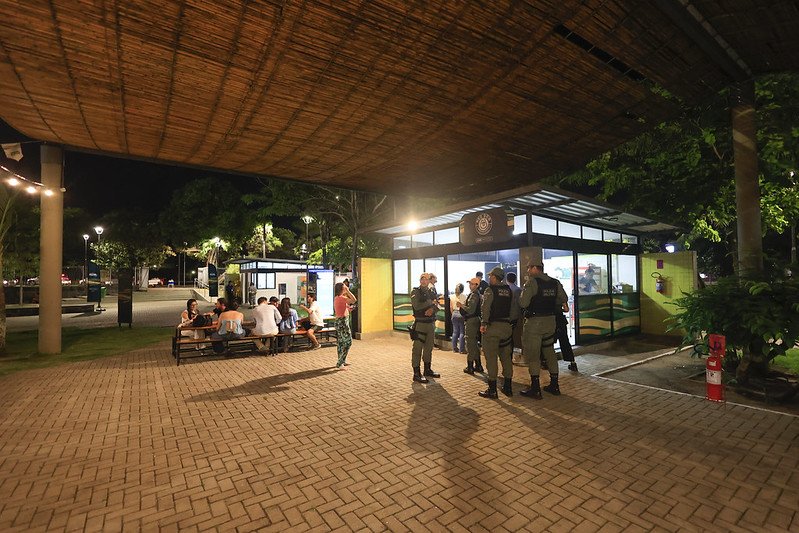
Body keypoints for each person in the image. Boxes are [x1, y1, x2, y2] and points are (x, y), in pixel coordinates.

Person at [519, 262, 569, 399]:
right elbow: (563, 298)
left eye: (529, 268)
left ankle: (535, 389)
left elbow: (523, 303)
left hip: (535, 324)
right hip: (550, 322)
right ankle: (555, 385)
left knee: (534, 355)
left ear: (535, 268)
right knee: (550, 352)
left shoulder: (532, 283)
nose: (528, 270)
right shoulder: (555, 282)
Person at [478, 267, 517, 399]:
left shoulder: (490, 290)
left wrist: (484, 323)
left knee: (491, 359)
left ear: (494, 277)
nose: (489, 278)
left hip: (493, 327)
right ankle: (508, 387)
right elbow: (512, 310)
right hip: (506, 328)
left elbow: (486, 308)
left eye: (490, 276)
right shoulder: (508, 290)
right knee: (506, 358)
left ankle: (492, 389)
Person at [410, 273, 440, 383]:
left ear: (429, 281)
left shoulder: (432, 291)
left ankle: (427, 369)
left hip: (430, 323)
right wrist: (429, 302)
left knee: (429, 348)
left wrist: (432, 310)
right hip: (420, 324)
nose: (423, 281)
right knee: (417, 349)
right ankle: (416, 373)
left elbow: (437, 304)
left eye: (425, 279)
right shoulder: (415, 292)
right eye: (421, 279)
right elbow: (417, 305)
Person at [461, 278, 484, 374]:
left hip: (472, 320)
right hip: (474, 320)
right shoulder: (474, 294)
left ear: (477, 285)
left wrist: (461, 305)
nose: (470, 285)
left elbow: (470, 310)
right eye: (470, 284)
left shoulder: (474, 295)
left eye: (472, 284)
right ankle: (478, 365)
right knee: (474, 344)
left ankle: (470, 366)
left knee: (470, 343)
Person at [334, 282, 357, 368]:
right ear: (341, 289)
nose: (346, 289)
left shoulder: (338, 298)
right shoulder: (341, 298)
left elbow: (343, 308)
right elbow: (354, 299)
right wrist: (348, 291)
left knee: (341, 342)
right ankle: (340, 363)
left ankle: (342, 361)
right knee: (348, 342)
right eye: (344, 288)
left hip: (341, 321)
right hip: (342, 322)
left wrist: (348, 309)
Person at [506, 272, 522, 356]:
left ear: (507, 279)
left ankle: (508, 355)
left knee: (507, 337)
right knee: (513, 335)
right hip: (517, 315)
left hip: (507, 316)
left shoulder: (506, 289)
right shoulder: (519, 290)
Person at [450, 283, 466, 354]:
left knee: (455, 332)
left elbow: (451, 307)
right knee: (462, 332)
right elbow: (465, 307)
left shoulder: (452, 297)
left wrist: (453, 313)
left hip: (454, 314)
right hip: (461, 314)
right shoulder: (464, 297)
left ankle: (454, 348)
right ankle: (462, 349)